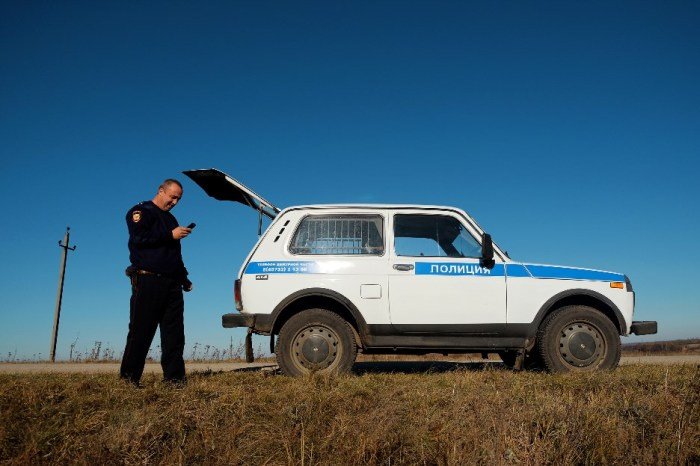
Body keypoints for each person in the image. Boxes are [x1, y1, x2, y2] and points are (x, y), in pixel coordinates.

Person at [120, 178, 193, 386]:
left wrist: (184, 279)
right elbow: (139, 239)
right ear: (161, 191)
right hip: (147, 280)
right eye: (172, 197)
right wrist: (170, 235)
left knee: (174, 334)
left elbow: (172, 255)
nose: (175, 202)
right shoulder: (141, 212)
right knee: (141, 331)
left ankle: (175, 379)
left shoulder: (171, 219)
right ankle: (129, 379)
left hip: (172, 284)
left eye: (179, 199)